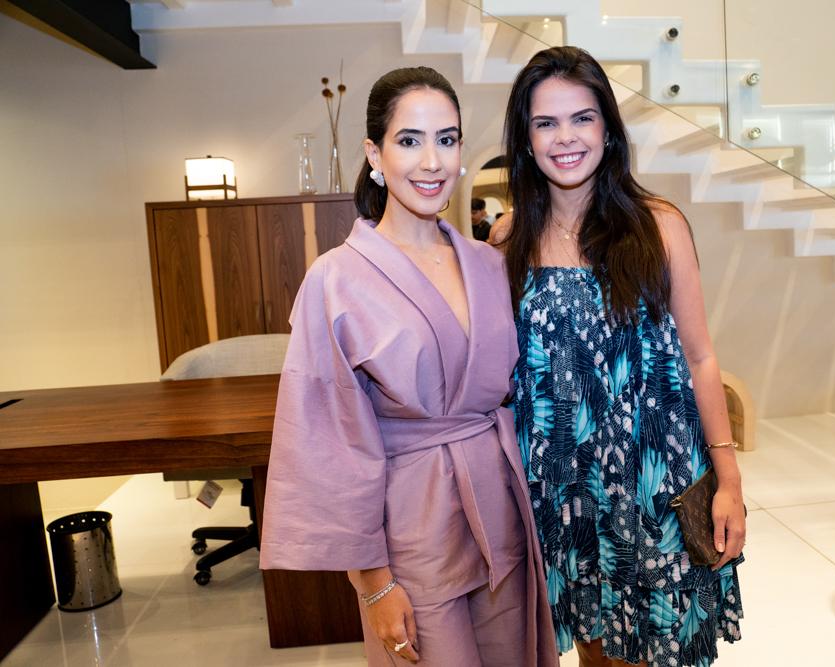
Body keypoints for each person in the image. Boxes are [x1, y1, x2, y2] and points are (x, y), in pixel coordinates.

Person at [259, 66, 558, 667]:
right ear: (375, 153)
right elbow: (331, 443)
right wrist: (373, 582)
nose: (432, 161)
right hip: (413, 533)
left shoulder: (489, 263)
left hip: (502, 511)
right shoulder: (336, 279)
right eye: (409, 140)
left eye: (446, 140)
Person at [491, 47, 745, 667]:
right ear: (525, 141)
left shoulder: (658, 226)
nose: (565, 137)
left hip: (654, 482)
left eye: (582, 118)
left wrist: (730, 481)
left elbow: (700, 357)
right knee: (595, 652)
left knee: (659, 648)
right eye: (545, 123)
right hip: (563, 490)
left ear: (608, 128)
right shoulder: (507, 239)